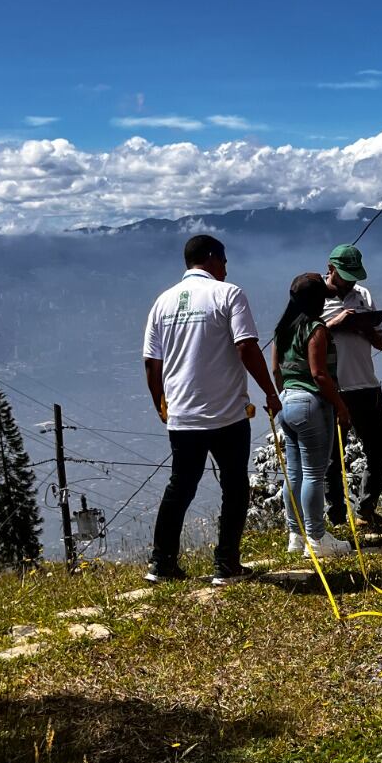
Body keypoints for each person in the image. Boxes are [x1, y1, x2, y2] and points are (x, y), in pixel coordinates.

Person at [142, 234, 280, 585]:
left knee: (180, 487)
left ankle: (162, 564)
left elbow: (151, 362)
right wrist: (270, 391)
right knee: (234, 487)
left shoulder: (163, 302)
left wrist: (162, 403)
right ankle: (227, 564)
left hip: (182, 414)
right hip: (226, 414)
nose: (227, 267)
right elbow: (247, 347)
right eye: (225, 260)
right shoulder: (229, 293)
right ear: (213, 258)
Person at [272, 272, 353, 558]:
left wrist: (282, 397)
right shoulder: (315, 328)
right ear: (317, 300)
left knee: (293, 473)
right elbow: (319, 373)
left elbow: (276, 371)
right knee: (313, 474)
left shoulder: (283, 328)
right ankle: (317, 538)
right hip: (311, 403)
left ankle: (296, 535)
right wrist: (341, 406)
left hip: (287, 402)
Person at [321, 243, 382, 528]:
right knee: (333, 457)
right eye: (345, 275)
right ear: (330, 269)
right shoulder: (316, 298)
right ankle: (336, 517)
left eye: (354, 276)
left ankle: (365, 510)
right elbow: (303, 341)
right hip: (335, 388)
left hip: (367, 385)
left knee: (378, 449)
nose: (350, 281)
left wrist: (363, 326)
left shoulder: (363, 295)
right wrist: (336, 323)